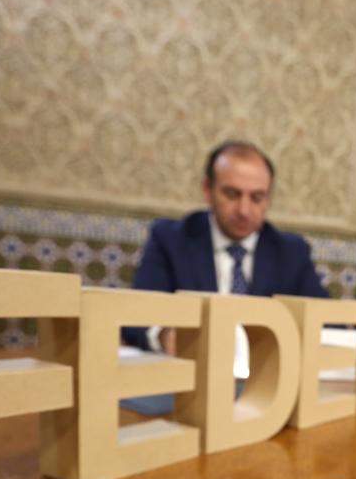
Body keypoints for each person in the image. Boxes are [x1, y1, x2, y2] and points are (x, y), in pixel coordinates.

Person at [123, 140, 328, 359]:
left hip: (265, 382)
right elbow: (135, 317)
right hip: (189, 378)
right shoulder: (171, 240)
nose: (244, 210)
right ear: (207, 190)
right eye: (232, 194)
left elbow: (329, 325)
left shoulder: (291, 253)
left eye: (257, 198)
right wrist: (164, 336)